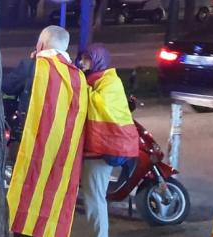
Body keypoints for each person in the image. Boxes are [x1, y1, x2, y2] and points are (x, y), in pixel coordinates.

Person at [5, 26, 90, 237]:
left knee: (27, 190)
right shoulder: (78, 75)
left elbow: (6, 86)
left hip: (30, 142)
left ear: (41, 45)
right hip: (63, 149)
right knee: (52, 194)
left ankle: (23, 230)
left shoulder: (32, 66)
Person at [76, 43, 138, 237]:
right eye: (82, 57)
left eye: (87, 58)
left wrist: (81, 86)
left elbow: (100, 104)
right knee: (93, 196)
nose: (82, 62)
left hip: (100, 151)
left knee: (94, 197)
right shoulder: (95, 80)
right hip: (95, 149)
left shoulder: (110, 82)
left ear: (98, 61)